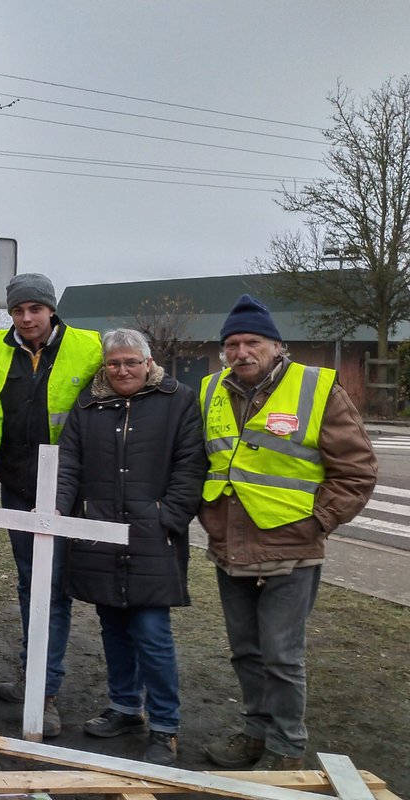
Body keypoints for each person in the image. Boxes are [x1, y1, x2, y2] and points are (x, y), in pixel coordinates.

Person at [199, 295, 376, 770]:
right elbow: (200, 462)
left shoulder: (317, 389)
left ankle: (285, 749)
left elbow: (356, 472)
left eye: (252, 342)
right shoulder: (210, 389)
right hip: (229, 547)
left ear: (276, 346)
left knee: (282, 655)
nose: (241, 352)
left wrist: (317, 522)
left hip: (293, 550)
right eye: (232, 344)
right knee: (245, 652)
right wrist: (206, 516)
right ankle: (254, 733)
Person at [54, 328, 207, 766]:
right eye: (114, 363)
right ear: (105, 366)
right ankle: (125, 707)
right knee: (113, 628)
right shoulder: (88, 406)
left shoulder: (177, 401)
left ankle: (165, 725)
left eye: (131, 362)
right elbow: (69, 463)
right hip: (99, 532)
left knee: (152, 633)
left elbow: (190, 464)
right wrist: (62, 514)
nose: (122, 370)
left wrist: (169, 518)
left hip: (151, 536)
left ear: (148, 362)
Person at [0, 272, 102, 738]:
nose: (27, 318)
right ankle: (31, 671)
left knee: (50, 587)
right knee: (28, 583)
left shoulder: (88, 348)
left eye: (35, 308)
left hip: (66, 488)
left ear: (51, 309)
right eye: (18, 310)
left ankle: (46, 690)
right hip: (15, 483)